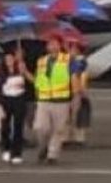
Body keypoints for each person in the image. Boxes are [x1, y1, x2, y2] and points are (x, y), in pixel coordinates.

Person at [33, 34, 80, 165]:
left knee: (58, 129)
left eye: (55, 43)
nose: (52, 46)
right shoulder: (41, 61)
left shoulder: (68, 60)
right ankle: (43, 146)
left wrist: (75, 96)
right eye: (50, 44)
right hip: (44, 99)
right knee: (41, 127)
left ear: (60, 45)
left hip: (61, 100)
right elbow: (38, 80)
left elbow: (74, 78)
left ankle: (52, 154)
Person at [0, 50, 32, 164]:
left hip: (19, 100)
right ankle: (6, 148)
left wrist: (25, 71)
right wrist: (0, 106)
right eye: (7, 59)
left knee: (18, 127)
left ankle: (17, 153)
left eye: (11, 59)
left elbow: (32, 81)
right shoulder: (1, 73)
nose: (9, 61)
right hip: (6, 101)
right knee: (5, 127)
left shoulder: (20, 69)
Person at [66, 38, 92, 146]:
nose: (71, 50)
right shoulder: (67, 60)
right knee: (68, 114)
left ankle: (78, 138)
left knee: (80, 113)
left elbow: (78, 72)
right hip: (68, 89)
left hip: (78, 90)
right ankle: (67, 137)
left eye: (73, 48)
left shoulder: (80, 61)